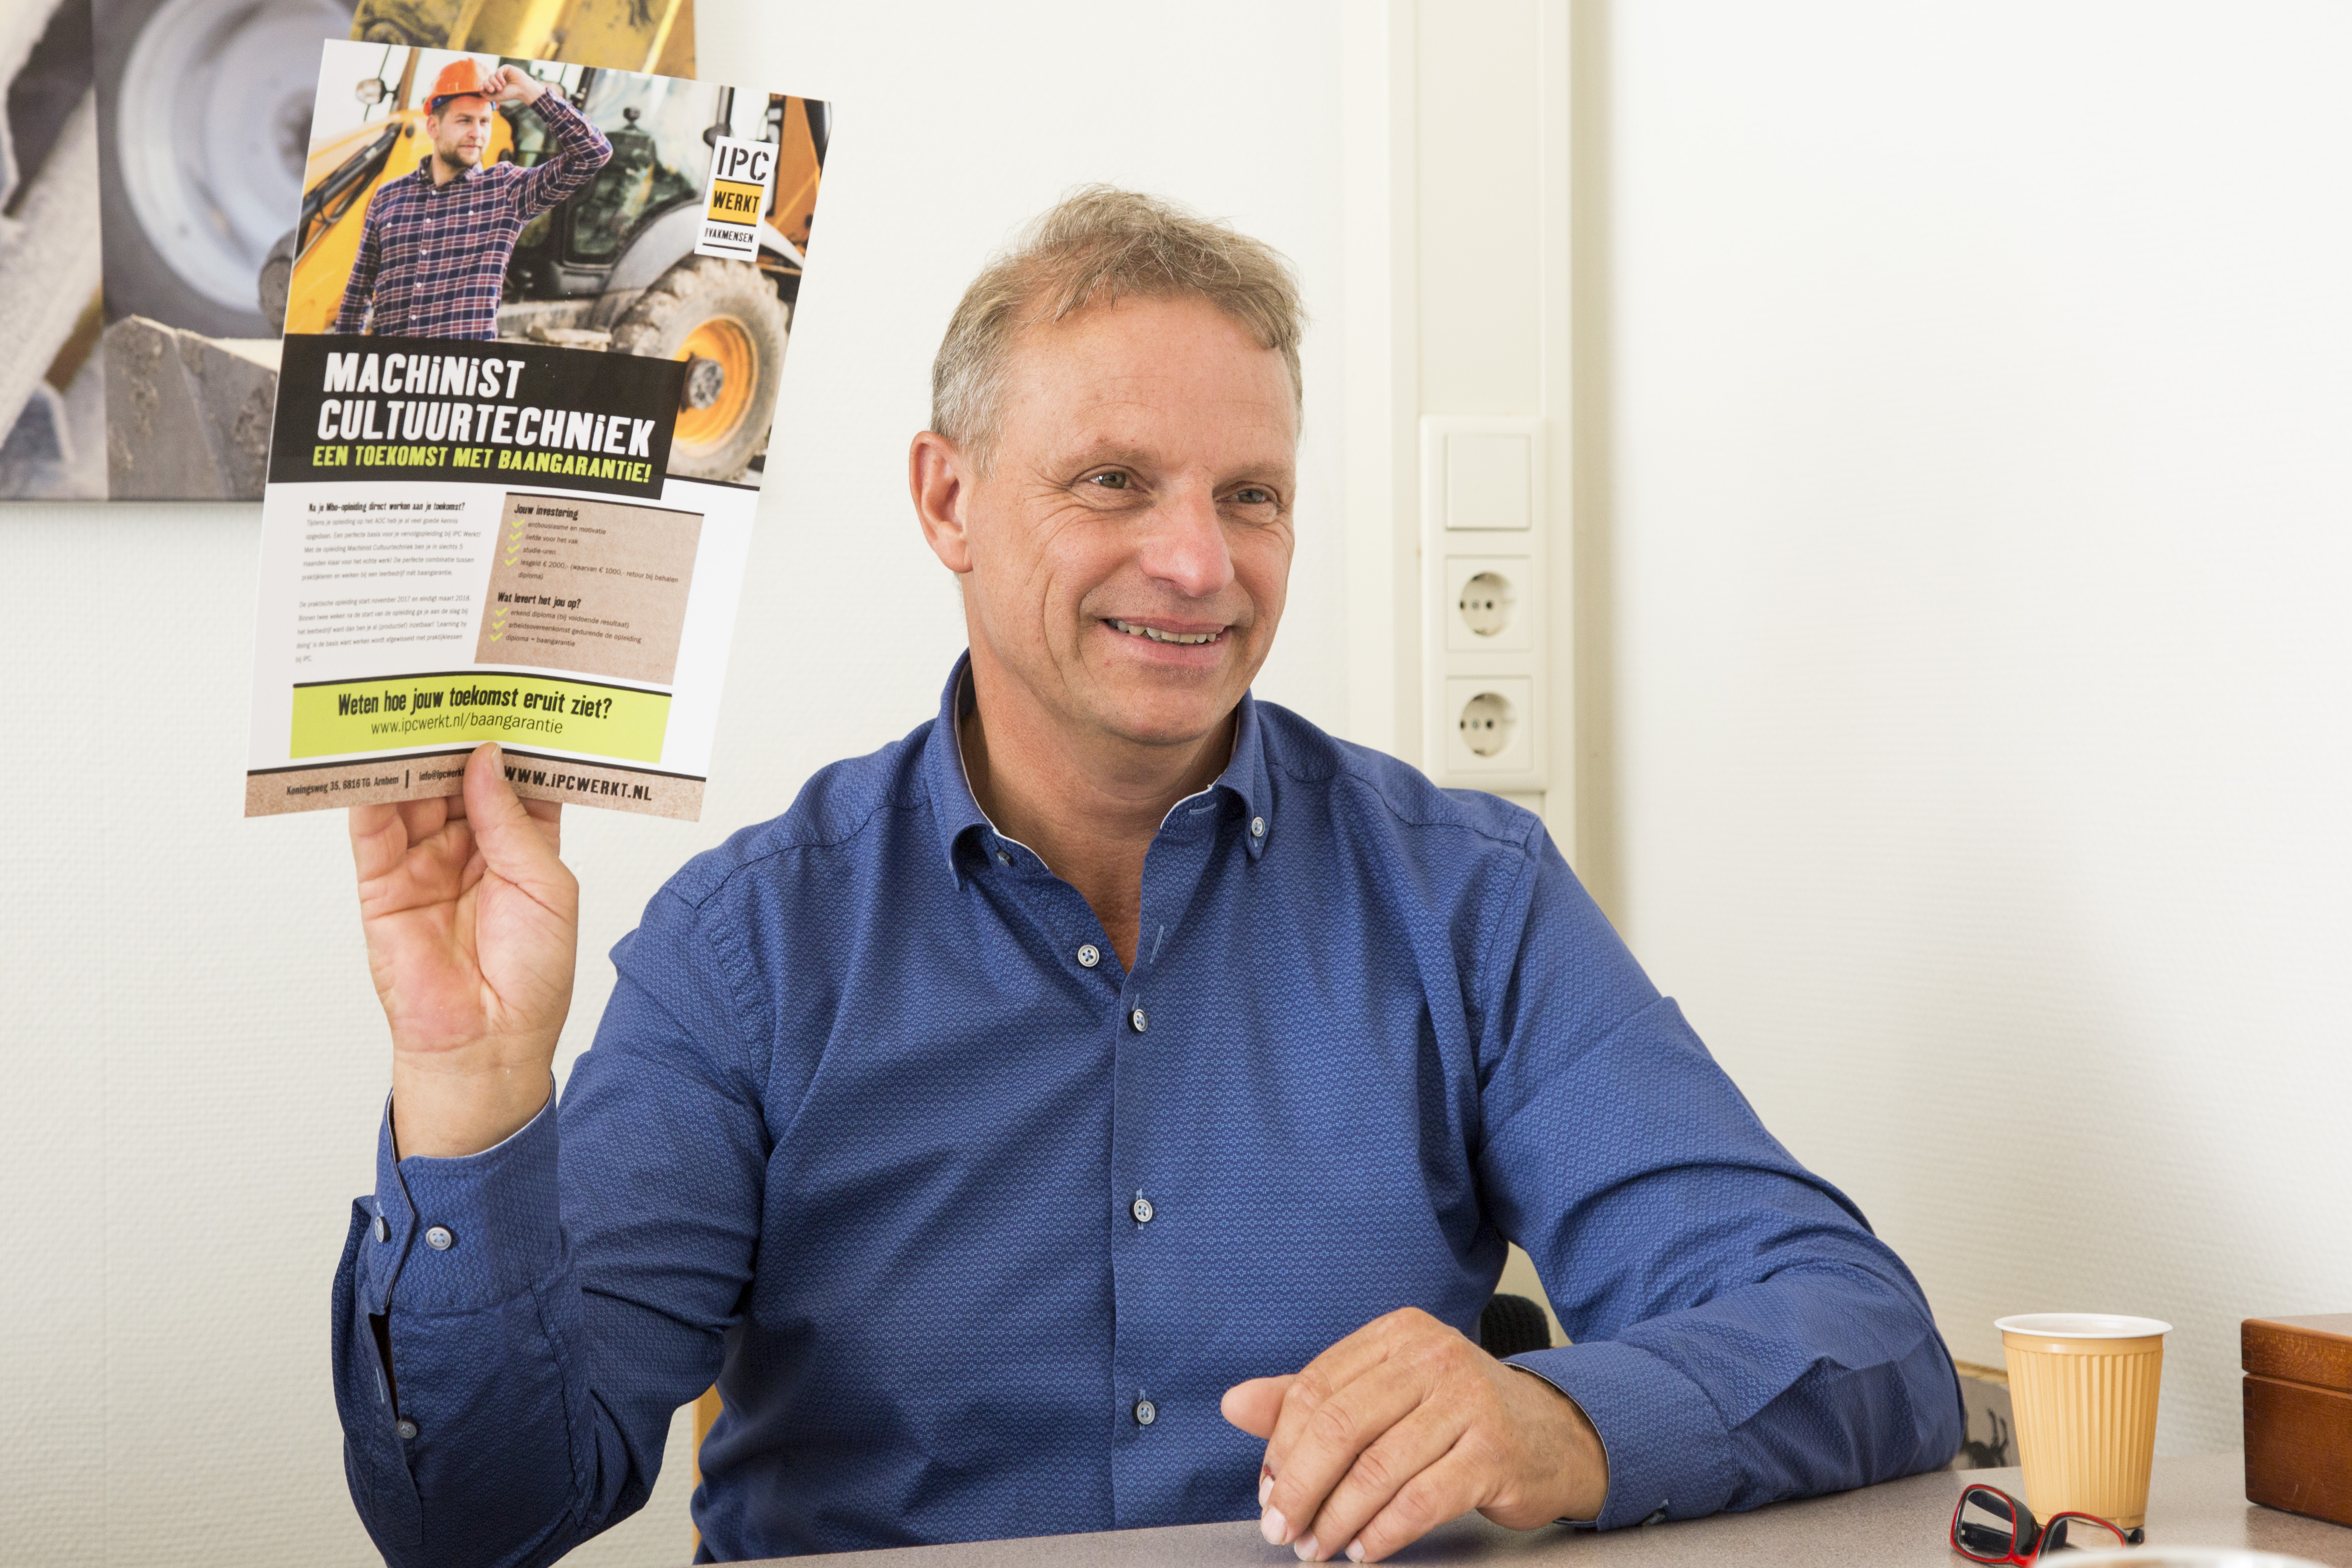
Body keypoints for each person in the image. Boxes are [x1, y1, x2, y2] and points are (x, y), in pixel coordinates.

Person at [334, 188, 1961, 1567]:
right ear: (948, 498)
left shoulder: (1467, 900)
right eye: (1114, 480)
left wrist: (1557, 1419)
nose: (1198, 561)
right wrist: (468, 1083)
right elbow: (475, 1516)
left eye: (1249, 495)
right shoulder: (746, 947)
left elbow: (1862, 1333)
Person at [330, 57, 610, 340]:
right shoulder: (388, 198)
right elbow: (358, 293)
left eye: (485, 122)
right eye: (465, 121)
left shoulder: (506, 191)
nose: (477, 134)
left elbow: (593, 153)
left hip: (461, 375)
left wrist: (529, 90)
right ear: (433, 128)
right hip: (389, 374)